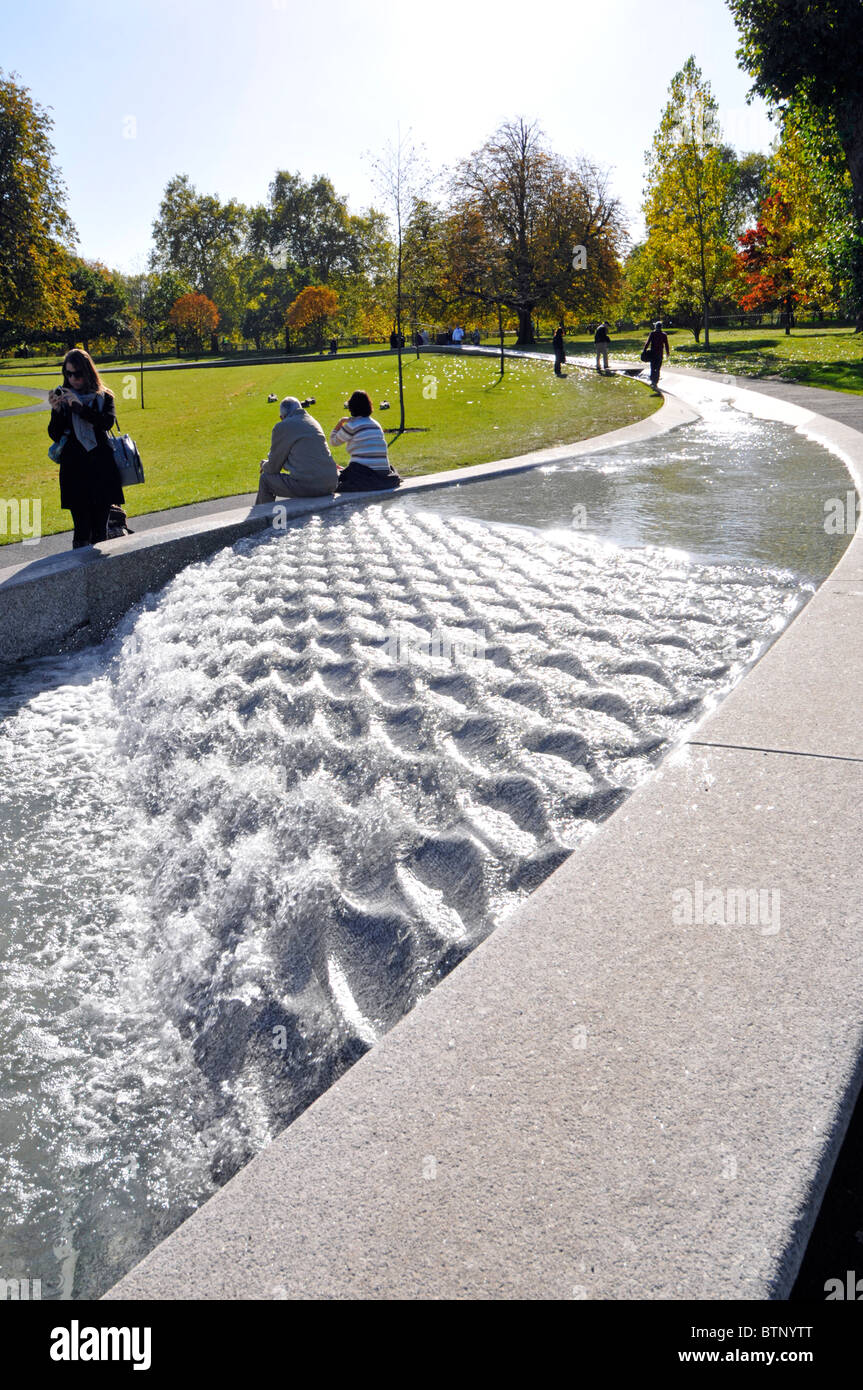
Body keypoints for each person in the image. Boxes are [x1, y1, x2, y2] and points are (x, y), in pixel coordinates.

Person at [47, 348, 125, 549]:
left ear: (88, 372)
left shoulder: (104, 397)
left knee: (100, 532)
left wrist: (80, 408)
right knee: (81, 532)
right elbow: (55, 435)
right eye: (68, 374)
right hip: (75, 470)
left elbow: (106, 423)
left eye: (77, 374)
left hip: (101, 469)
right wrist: (57, 411)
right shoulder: (63, 398)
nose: (73, 379)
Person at [256, 396, 338, 503]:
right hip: (331, 483)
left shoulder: (282, 426)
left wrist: (263, 464)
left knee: (265, 479)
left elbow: (273, 468)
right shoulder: (313, 422)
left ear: (281, 417)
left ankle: (261, 517)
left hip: (309, 485)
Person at [329, 390, 401, 492]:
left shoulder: (352, 426)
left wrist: (340, 422)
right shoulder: (376, 424)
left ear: (351, 407)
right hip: (384, 472)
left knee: (338, 479)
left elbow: (333, 441)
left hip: (363, 472)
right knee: (347, 470)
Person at [643, 320, 670, 387]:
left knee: (652, 367)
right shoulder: (664, 335)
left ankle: (652, 381)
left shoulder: (652, 334)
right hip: (659, 354)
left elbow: (648, 343)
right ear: (661, 327)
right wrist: (667, 353)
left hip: (653, 353)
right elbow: (666, 344)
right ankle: (656, 381)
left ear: (655, 327)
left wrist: (644, 350)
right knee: (658, 368)